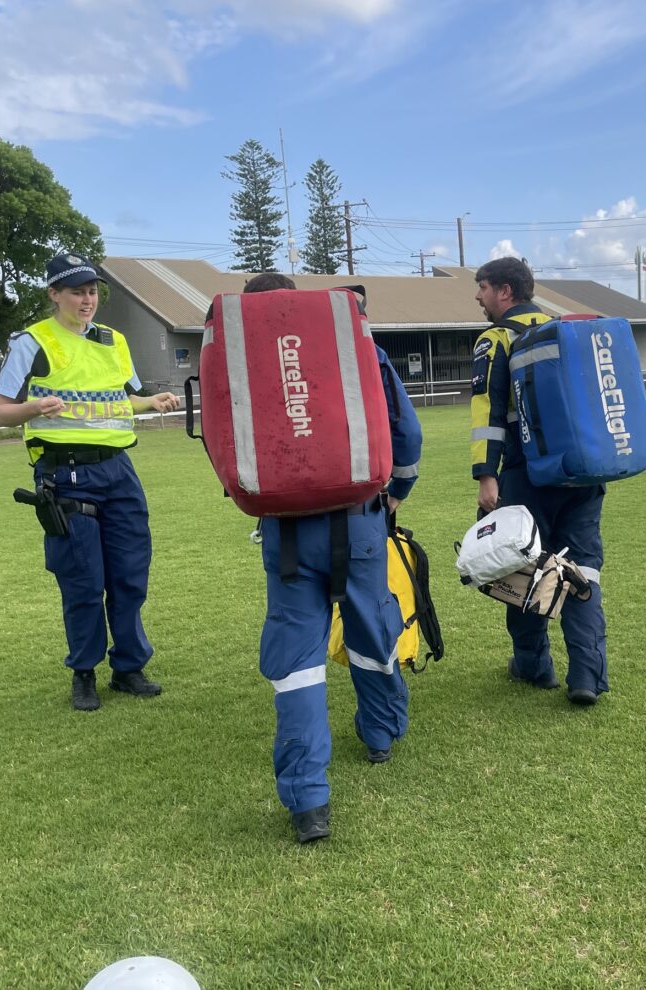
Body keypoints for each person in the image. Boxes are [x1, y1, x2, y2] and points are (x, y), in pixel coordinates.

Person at [247, 273, 422, 844]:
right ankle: (381, 733)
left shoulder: (244, 357)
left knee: (297, 659)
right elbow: (406, 430)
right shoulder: (355, 345)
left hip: (287, 533)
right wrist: (395, 491)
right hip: (359, 519)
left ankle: (308, 802)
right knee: (371, 628)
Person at [0, 253, 180, 712]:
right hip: (65, 474)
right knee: (82, 580)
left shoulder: (114, 341)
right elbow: (1, 412)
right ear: (54, 294)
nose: (87, 299)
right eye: (77, 291)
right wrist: (34, 409)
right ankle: (84, 672)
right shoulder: (32, 342)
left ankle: (128, 668)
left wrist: (151, 401)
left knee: (130, 576)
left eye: (92, 291)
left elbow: (122, 400)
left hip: (119, 470)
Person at [470, 257, 608, 706]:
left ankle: (534, 666)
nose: (478, 296)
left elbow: (487, 413)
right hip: (581, 474)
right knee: (583, 570)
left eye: (483, 288)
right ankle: (587, 675)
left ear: (505, 291)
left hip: (526, 476)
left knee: (523, 567)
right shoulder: (565, 332)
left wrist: (486, 476)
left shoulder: (497, 339)